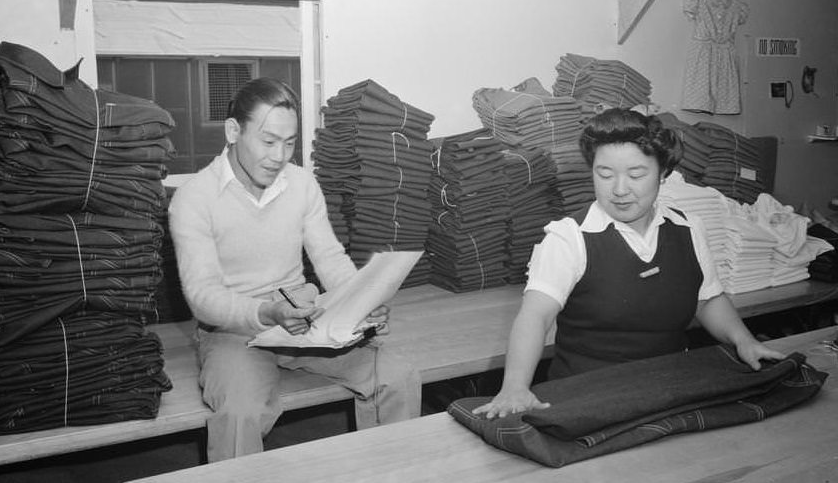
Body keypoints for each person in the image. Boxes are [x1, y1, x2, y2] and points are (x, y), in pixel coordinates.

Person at [168, 77, 421, 461]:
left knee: (397, 375)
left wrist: (360, 302)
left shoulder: (302, 184)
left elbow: (330, 258)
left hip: (304, 319)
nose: (279, 156)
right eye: (268, 141)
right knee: (240, 413)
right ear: (233, 131)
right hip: (232, 331)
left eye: (289, 143)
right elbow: (203, 298)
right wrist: (265, 312)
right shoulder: (193, 198)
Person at [474, 107, 785, 419]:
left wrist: (744, 341)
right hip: (588, 396)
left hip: (671, 390)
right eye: (605, 175)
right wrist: (514, 387)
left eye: (636, 175)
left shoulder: (689, 229)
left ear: (664, 172)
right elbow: (535, 317)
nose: (619, 190)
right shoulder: (569, 238)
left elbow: (707, 300)